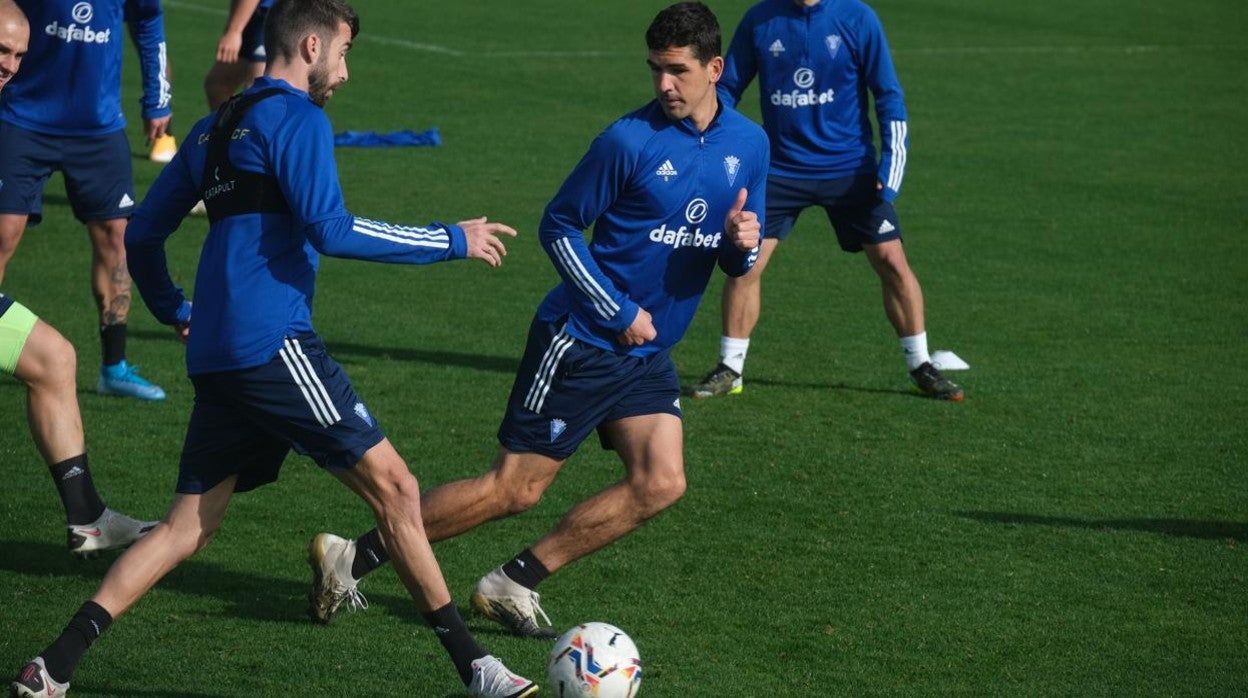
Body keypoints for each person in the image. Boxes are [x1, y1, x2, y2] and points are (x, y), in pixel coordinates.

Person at [8, 0, 537, 696]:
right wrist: (451, 239)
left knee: (186, 527)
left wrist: (174, 310)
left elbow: (139, 237)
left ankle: (54, 665)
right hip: (272, 347)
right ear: (311, 45)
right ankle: (479, 669)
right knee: (398, 490)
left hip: (219, 357)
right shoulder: (298, 119)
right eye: (344, 53)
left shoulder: (212, 127)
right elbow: (331, 229)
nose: (345, 72)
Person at [304, 1, 768, 640]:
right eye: (655, 69)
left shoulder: (750, 144)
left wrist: (742, 241)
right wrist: (616, 309)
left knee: (660, 482)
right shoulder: (627, 140)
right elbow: (558, 226)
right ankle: (351, 557)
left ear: (715, 68)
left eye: (678, 71)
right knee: (513, 490)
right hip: (579, 341)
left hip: (645, 353)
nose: (663, 85)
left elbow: (737, 252)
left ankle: (512, 581)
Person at [688, 0, 964, 401]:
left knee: (892, 262)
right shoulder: (761, 19)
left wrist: (890, 171)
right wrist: (714, 143)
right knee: (747, 263)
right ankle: (730, 368)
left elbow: (888, 94)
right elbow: (727, 88)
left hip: (850, 170)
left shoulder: (858, 18)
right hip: (780, 169)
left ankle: (921, 365)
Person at [0, 1, 155, 560]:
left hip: (96, 127)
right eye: (2, 51)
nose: (11, 66)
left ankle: (87, 519)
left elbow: (149, 20)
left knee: (55, 359)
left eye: (19, 54)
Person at [0, 0, 173, 402]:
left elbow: (149, 22)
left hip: (98, 125)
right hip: (22, 116)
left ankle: (114, 367)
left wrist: (157, 98)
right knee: (4, 234)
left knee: (117, 241)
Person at [204, 0, 272, 110]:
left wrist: (234, 31)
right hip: (253, 13)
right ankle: (230, 126)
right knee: (218, 84)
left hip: (274, 12)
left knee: (257, 91)